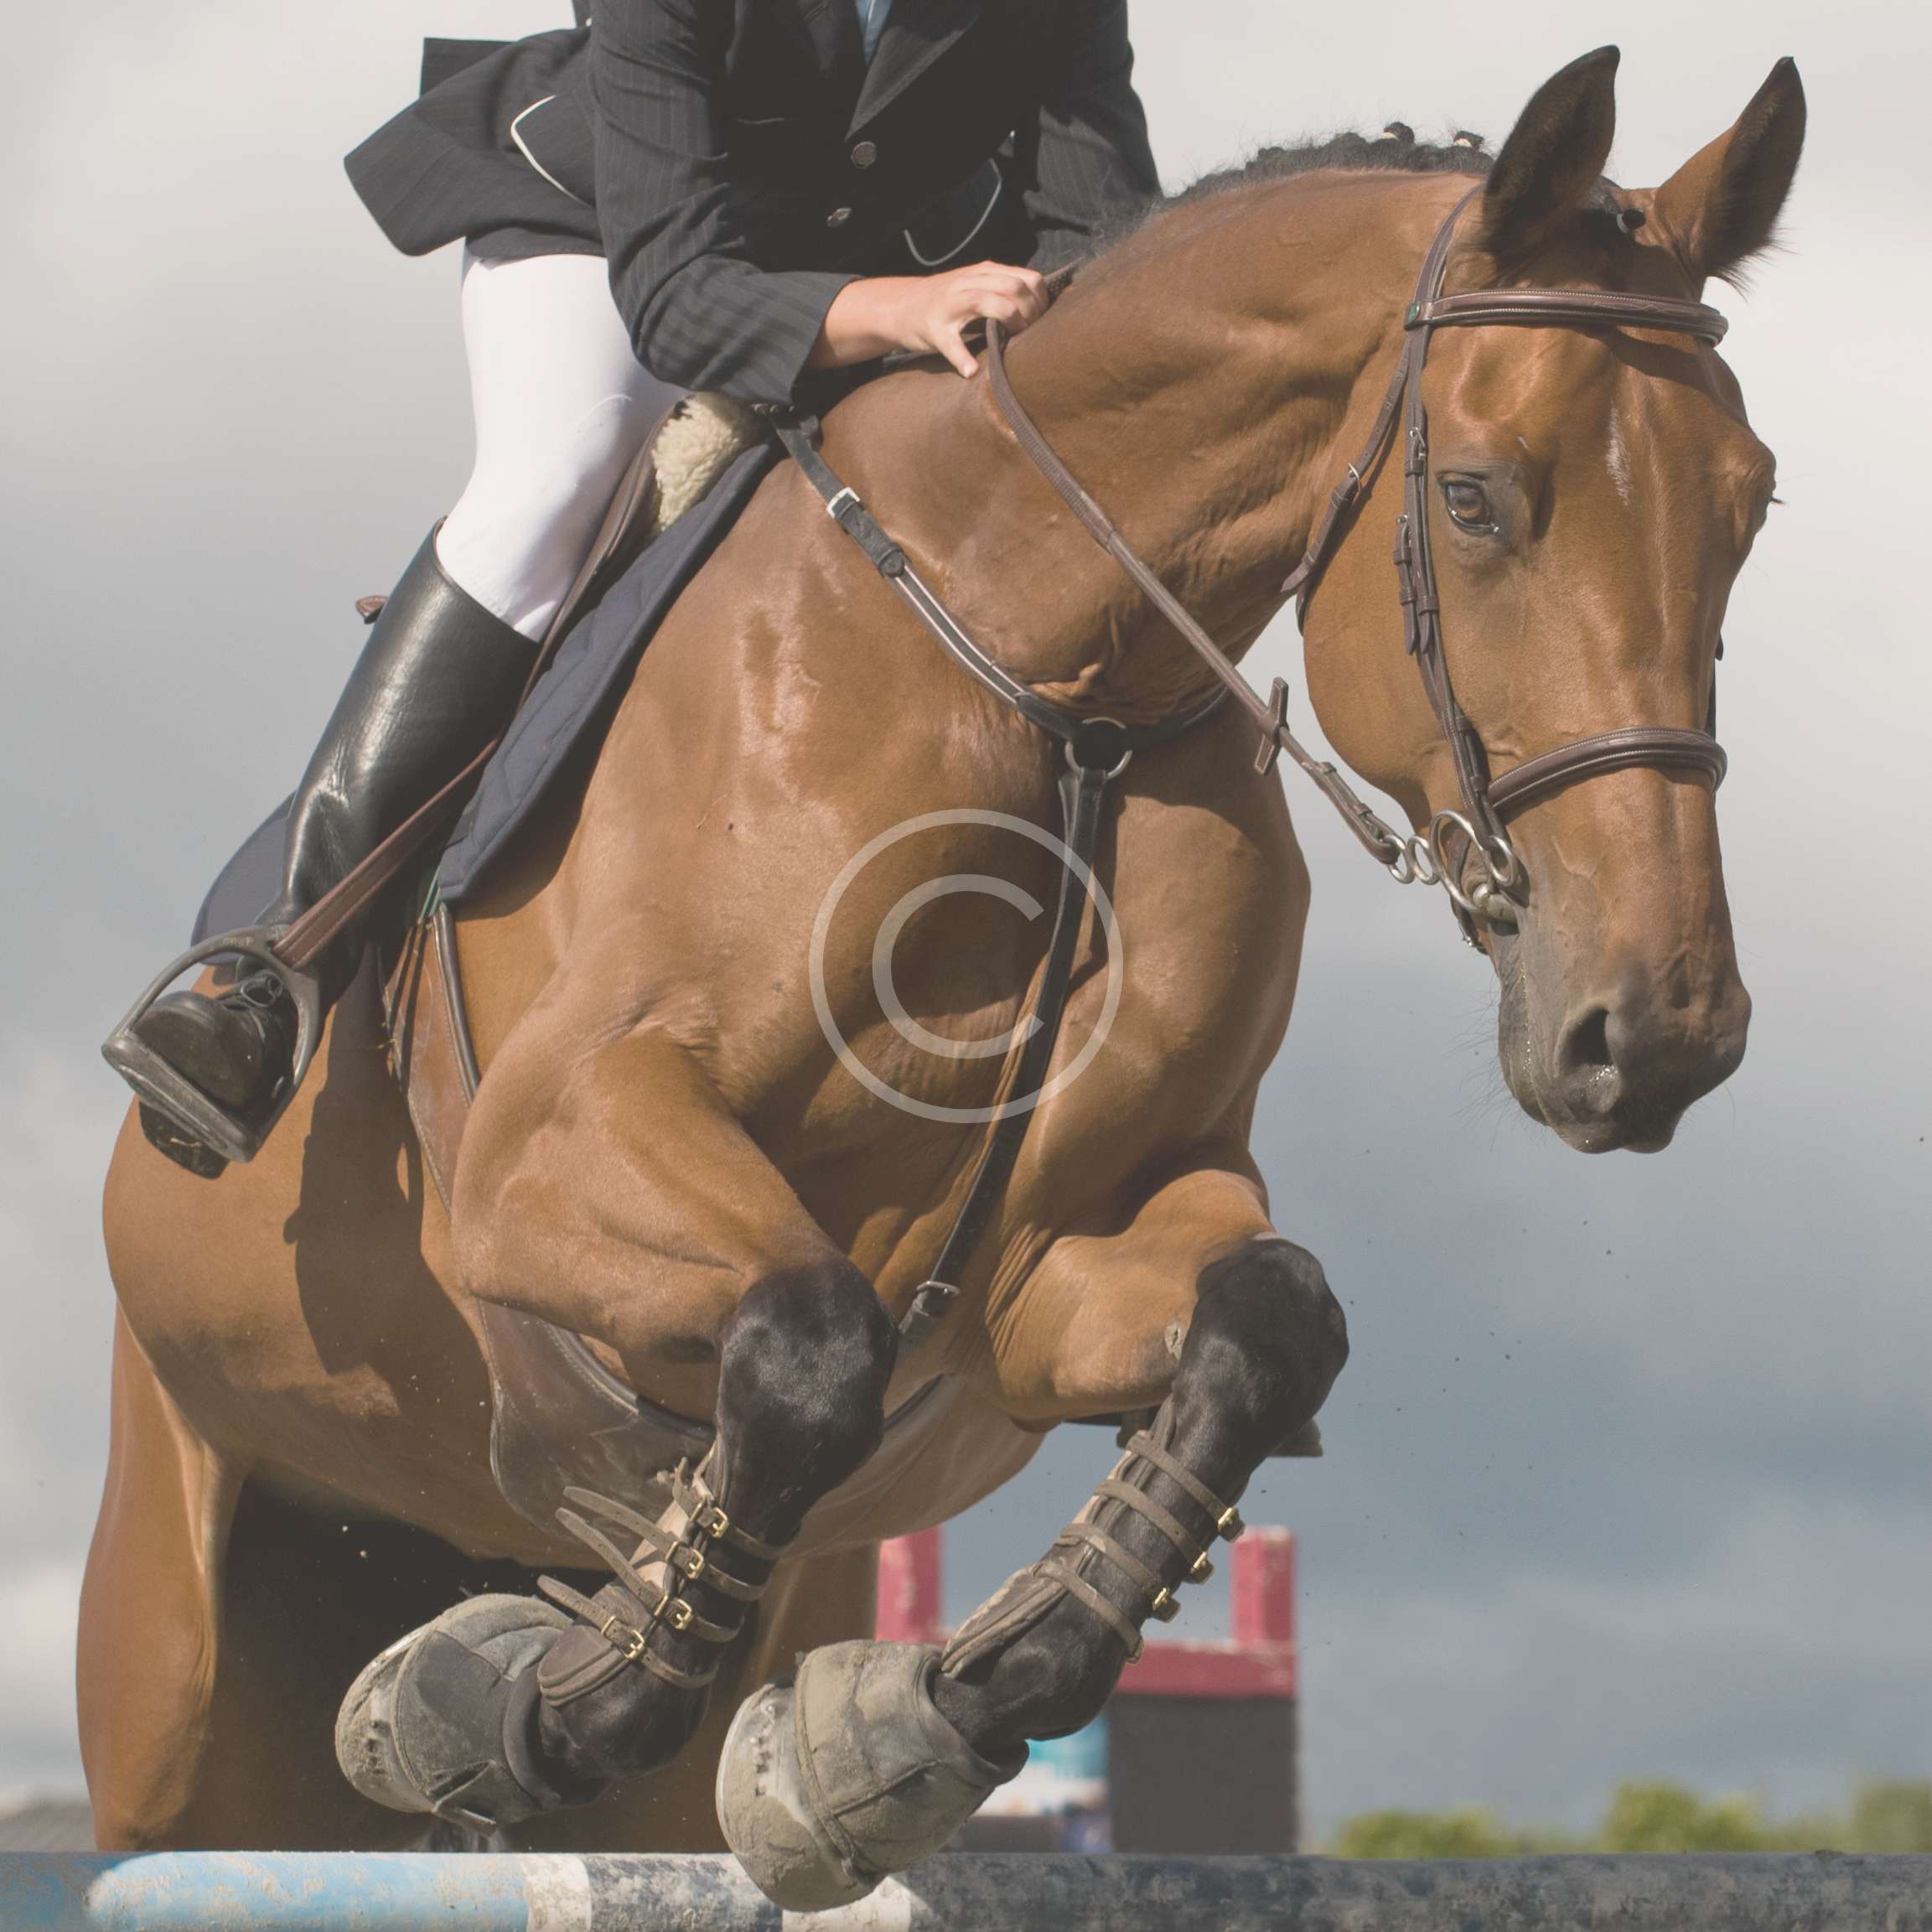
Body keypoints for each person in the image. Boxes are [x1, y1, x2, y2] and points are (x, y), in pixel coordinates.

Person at [113, 0, 1160, 1173]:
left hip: (888, 258)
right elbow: (674, 296)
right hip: (616, 238)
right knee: (556, 476)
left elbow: (1101, 236)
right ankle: (270, 966)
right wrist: (896, 309)